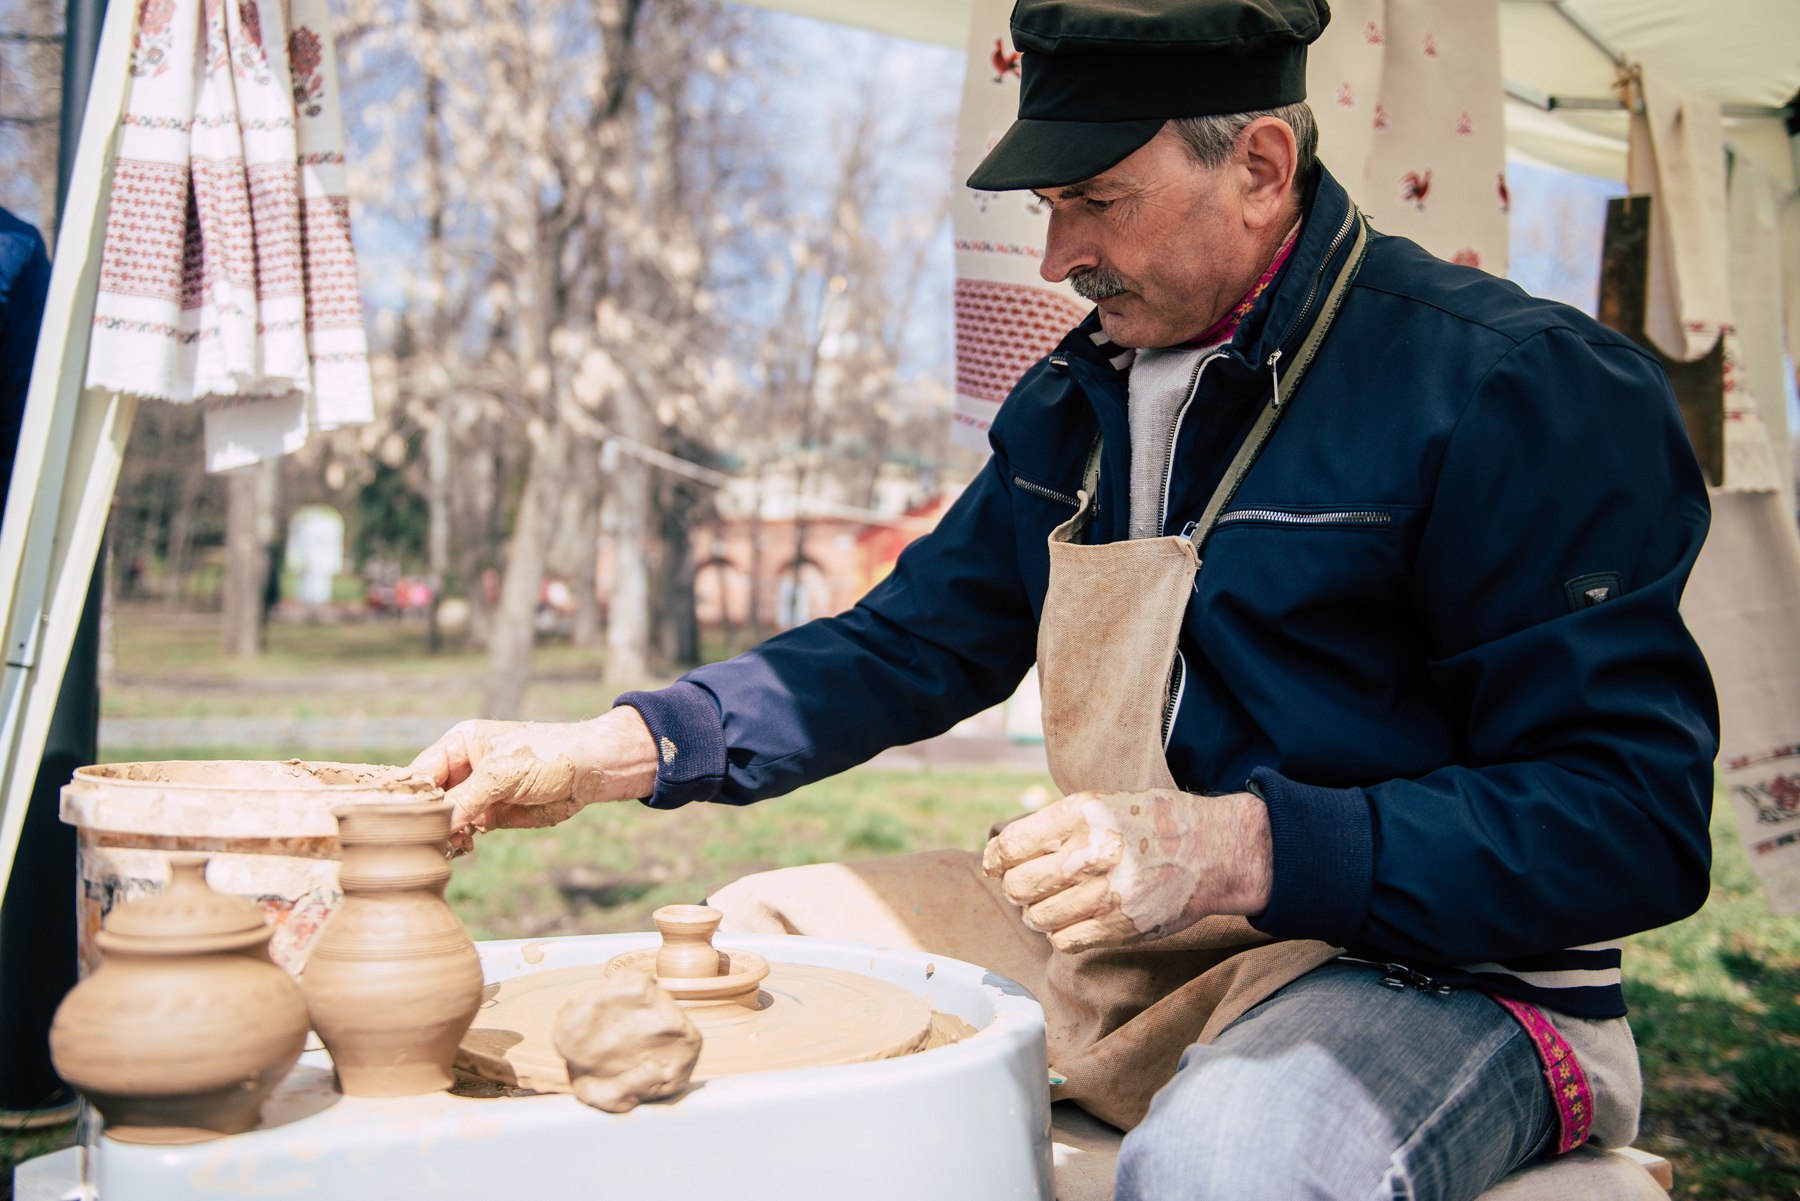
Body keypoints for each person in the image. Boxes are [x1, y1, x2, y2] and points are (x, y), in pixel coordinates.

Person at [411, 1, 1718, 1195]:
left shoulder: (1515, 388)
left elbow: (1634, 817)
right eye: (1051, 204)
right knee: (751, 952)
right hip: (1144, 940)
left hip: (1441, 970)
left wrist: (1241, 847)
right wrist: (609, 751)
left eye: (1096, 199)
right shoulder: (1076, 404)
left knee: (1226, 1168)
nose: (1059, 255)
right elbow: (905, 642)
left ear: (1261, 165)